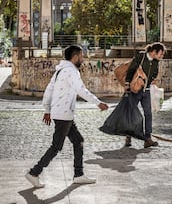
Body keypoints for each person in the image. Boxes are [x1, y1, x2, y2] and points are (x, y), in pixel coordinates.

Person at [25, 45, 109, 188]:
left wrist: (47, 110)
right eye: (81, 56)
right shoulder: (71, 71)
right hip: (64, 114)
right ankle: (34, 173)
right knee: (56, 147)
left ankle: (79, 175)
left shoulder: (60, 71)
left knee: (78, 141)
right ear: (75, 57)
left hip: (63, 114)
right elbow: (81, 90)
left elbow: (49, 91)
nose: (82, 59)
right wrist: (98, 103)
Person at [124, 42, 166, 148]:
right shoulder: (141, 56)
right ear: (154, 52)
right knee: (132, 113)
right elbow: (131, 69)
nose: (162, 56)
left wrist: (152, 79)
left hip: (146, 91)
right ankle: (128, 136)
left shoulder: (156, 61)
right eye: (161, 53)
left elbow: (155, 73)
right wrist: (127, 83)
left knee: (148, 114)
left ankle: (148, 138)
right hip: (136, 89)